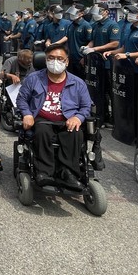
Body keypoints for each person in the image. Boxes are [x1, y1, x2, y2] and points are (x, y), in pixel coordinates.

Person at [16, 44, 92, 189]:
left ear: (67, 61)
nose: (55, 62)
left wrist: (78, 117)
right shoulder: (34, 78)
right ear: (45, 60)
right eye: (51, 58)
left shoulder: (78, 83)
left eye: (59, 58)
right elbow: (21, 99)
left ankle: (67, 173)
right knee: (42, 131)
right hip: (42, 118)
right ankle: (44, 173)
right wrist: (27, 114)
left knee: (75, 133)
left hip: (67, 119)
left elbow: (86, 106)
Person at [103, 3, 138, 68]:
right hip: (127, 68)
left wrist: (127, 55)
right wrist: (111, 52)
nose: (130, 14)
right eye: (130, 12)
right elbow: (125, 48)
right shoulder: (130, 29)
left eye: (134, 12)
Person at [65, 4, 93, 79]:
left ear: (81, 13)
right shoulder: (70, 25)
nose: (72, 15)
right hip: (71, 59)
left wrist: (85, 58)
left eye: (74, 12)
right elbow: (68, 40)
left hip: (81, 60)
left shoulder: (86, 26)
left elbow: (91, 42)